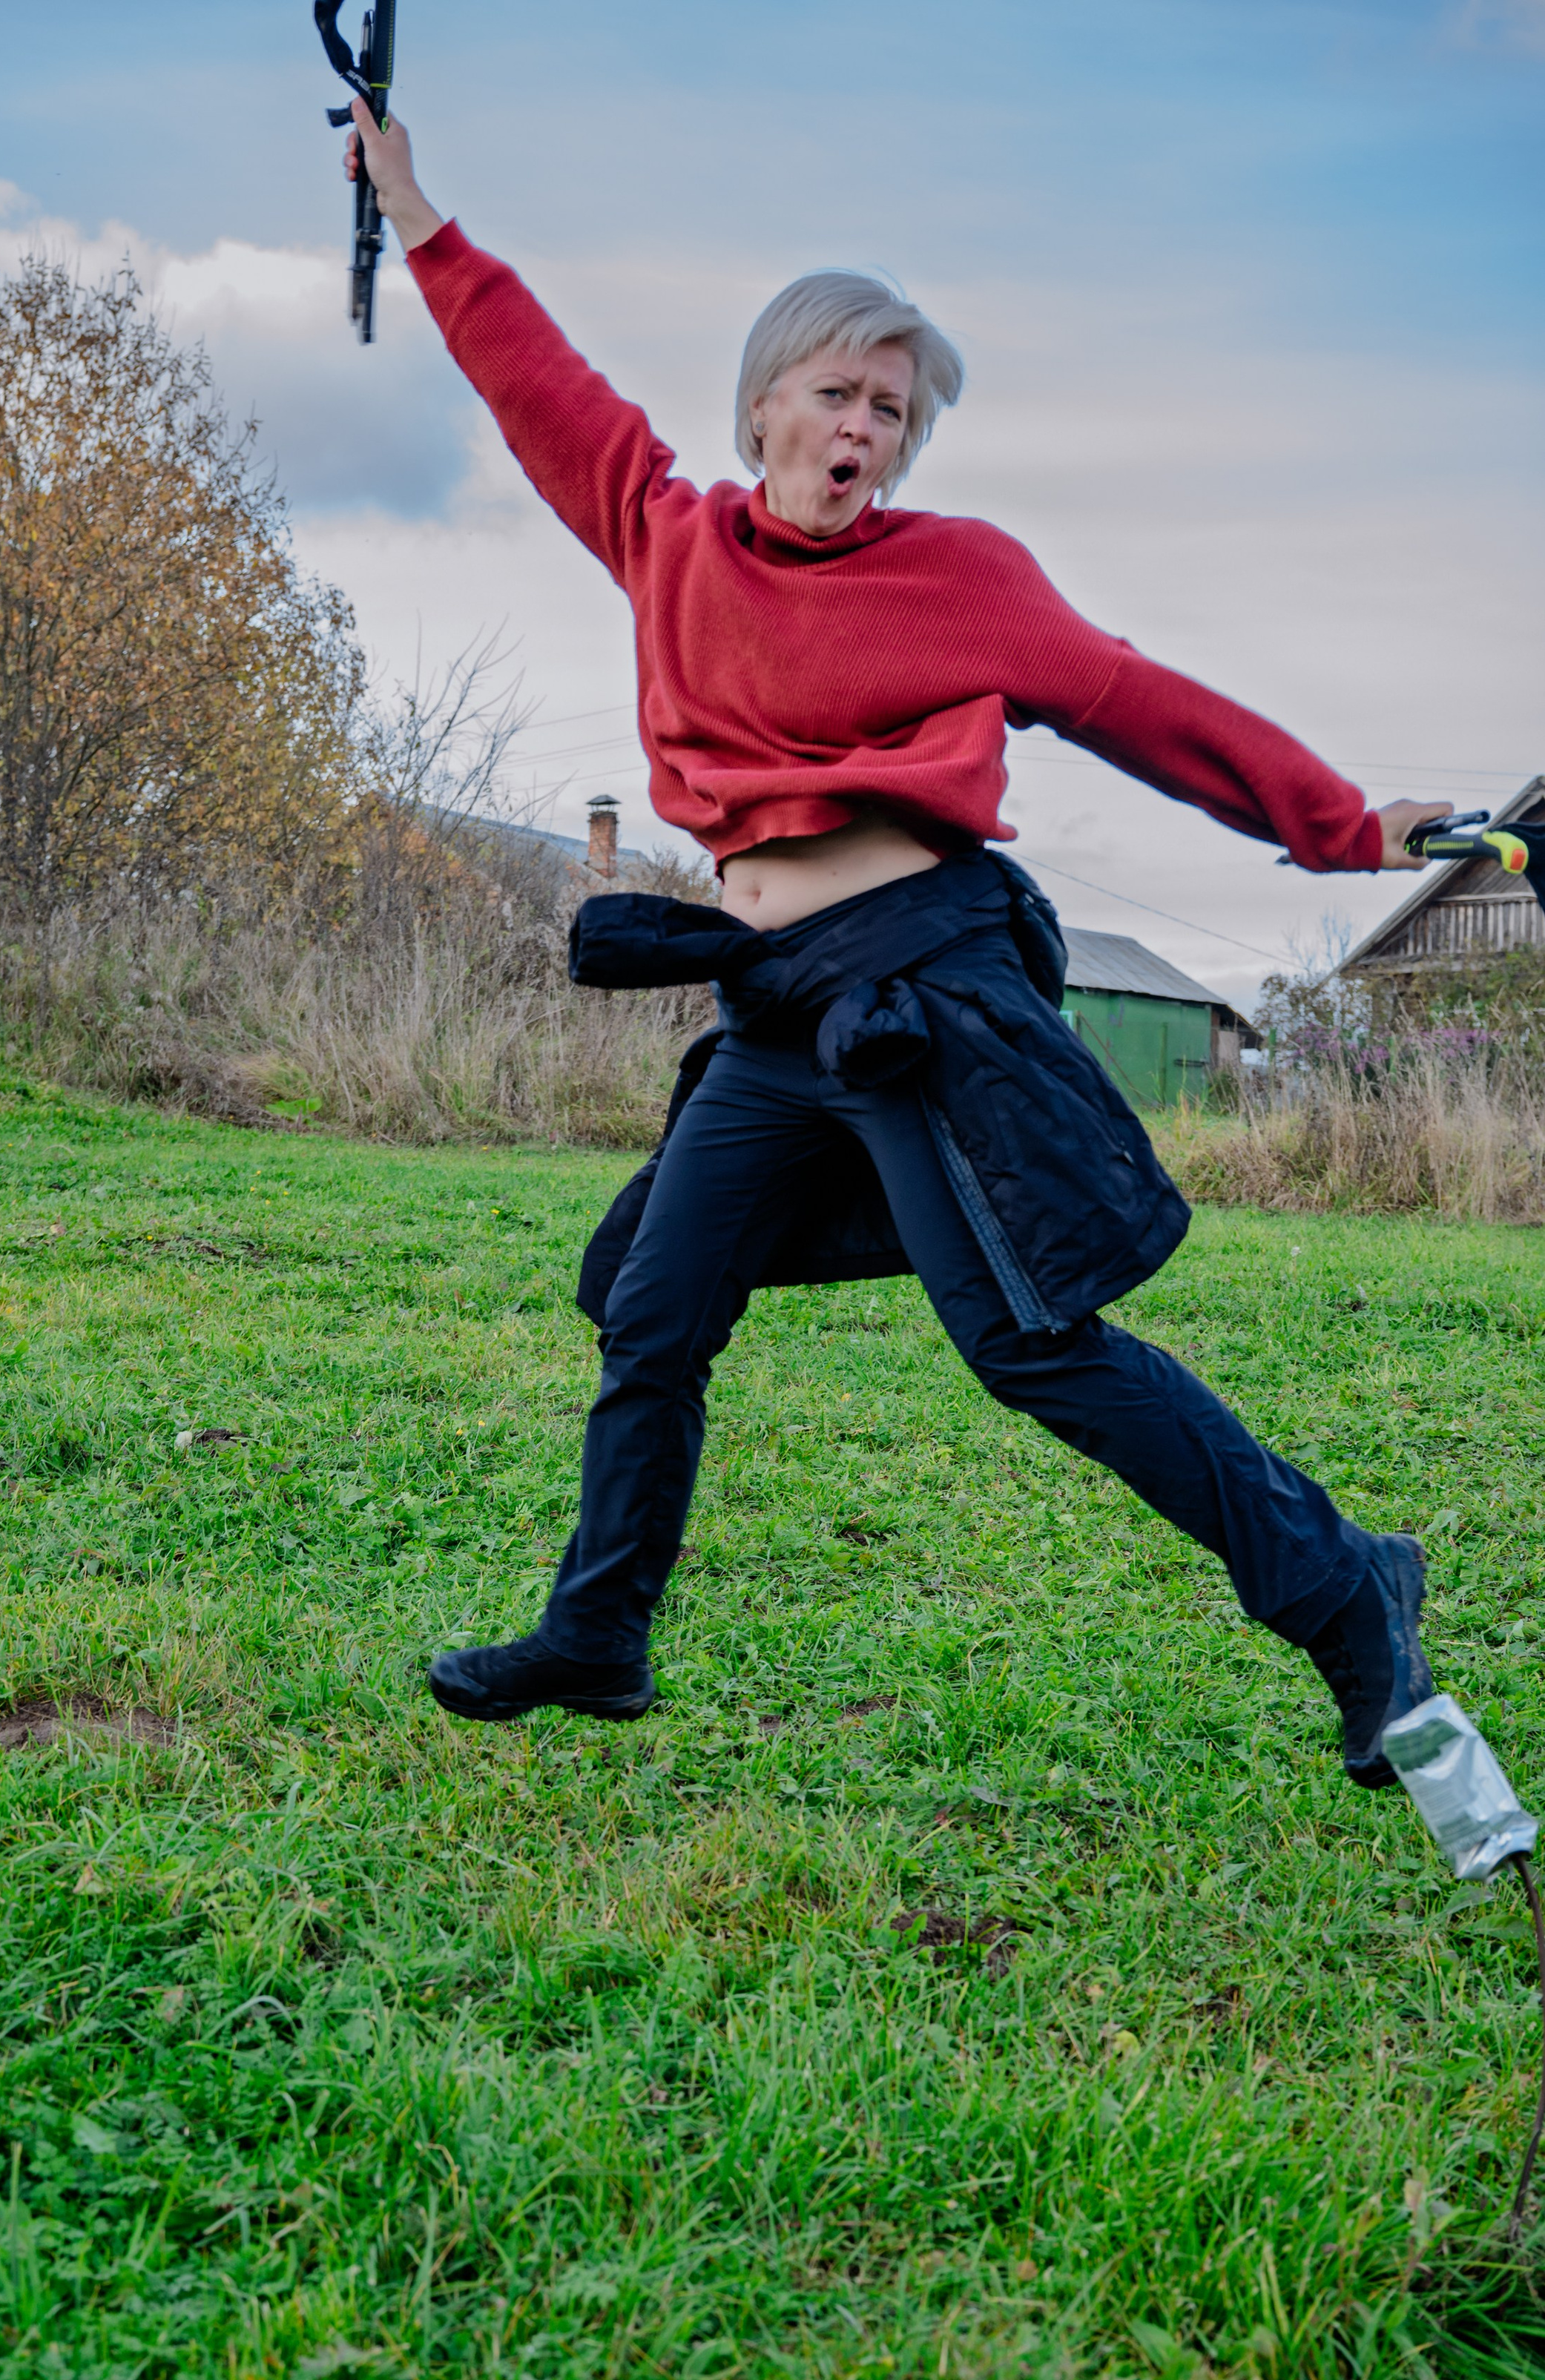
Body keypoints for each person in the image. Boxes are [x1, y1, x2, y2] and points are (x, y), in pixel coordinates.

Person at [345, 99, 1443, 1787]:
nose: (863, 427)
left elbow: (1148, 708)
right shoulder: (666, 539)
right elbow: (531, 377)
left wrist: (1350, 824)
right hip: (771, 1014)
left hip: (920, 999)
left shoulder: (964, 578)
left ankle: (1346, 1590)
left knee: (1026, 1345)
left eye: (892, 410)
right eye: (838, 393)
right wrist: (415, 209)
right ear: (762, 406)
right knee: (651, 1312)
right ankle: (599, 1632)